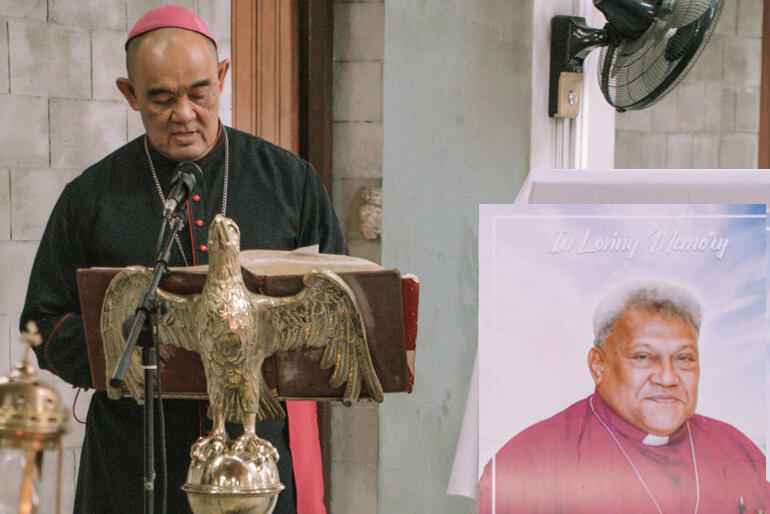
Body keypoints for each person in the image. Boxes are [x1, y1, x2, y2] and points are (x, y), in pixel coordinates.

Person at [19, 5, 344, 513]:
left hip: (257, 460)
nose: (185, 113)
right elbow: (43, 320)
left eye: (199, 92)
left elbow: (341, 297)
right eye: (162, 98)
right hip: (132, 457)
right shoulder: (92, 197)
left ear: (222, 78)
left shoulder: (291, 182)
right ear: (130, 94)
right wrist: (127, 362)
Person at [479, 281, 768, 513]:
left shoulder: (739, 450)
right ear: (598, 365)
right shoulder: (526, 464)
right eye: (643, 357)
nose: (667, 378)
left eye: (684, 358)